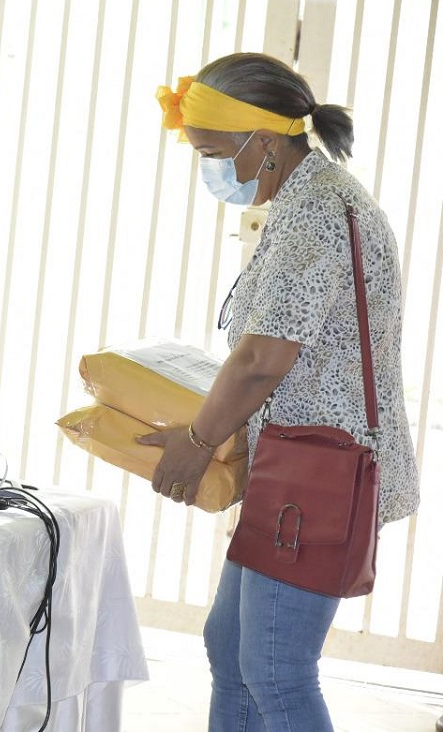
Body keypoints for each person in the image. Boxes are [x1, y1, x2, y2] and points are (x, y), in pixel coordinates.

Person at [148, 53, 419, 730]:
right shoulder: (311, 197)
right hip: (294, 463)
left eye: (214, 154)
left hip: (319, 471)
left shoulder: (316, 212)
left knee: (275, 667)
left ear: (264, 142)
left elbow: (262, 359)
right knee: (230, 648)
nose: (211, 171)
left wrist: (197, 442)